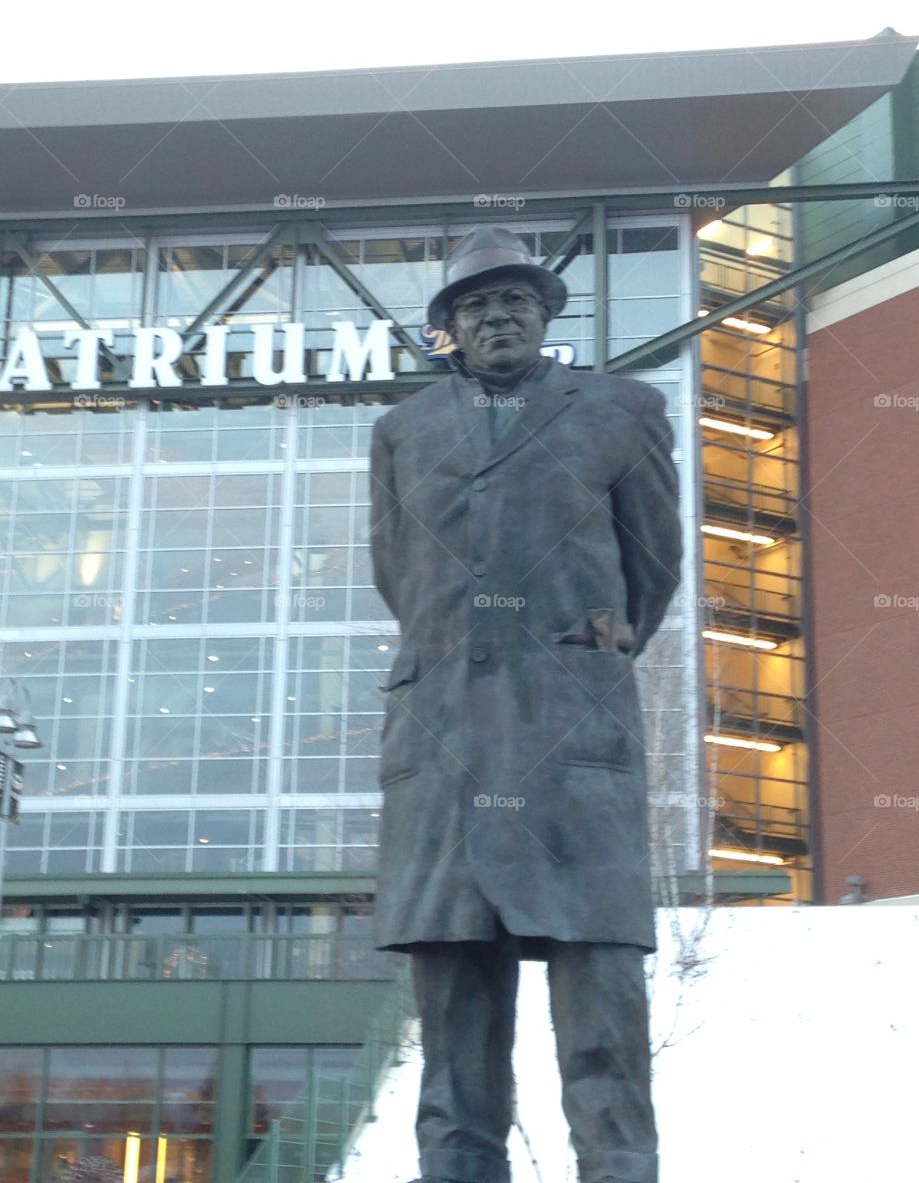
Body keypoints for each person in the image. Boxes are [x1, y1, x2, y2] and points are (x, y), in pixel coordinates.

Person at [369, 226, 682, 1183]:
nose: (497, 316)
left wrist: (594, 638)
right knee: (454, 1052)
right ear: (448, 331)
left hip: (569, 734)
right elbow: (401, 574)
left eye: (516, 302)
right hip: (444, 743)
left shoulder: (622, 411)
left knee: (604, 1018)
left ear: (547, 316)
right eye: (475, 305)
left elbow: (655, 563)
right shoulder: (403, 431)